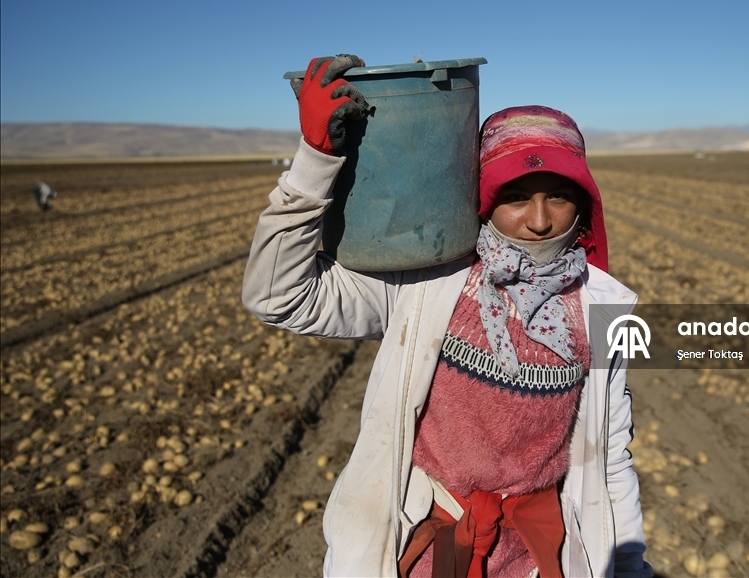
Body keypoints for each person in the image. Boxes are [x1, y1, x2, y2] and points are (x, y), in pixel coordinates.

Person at [242, 55, 651, 578]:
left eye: (560, 198)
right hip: (425, 544)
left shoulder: (602, 309)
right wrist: (315, 161)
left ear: (584, 203)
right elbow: (277, 294)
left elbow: (611, 459)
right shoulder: (429, 284)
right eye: (517, 197)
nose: (541, 220)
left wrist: (631, 567)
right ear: (484, 198)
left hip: (539, 558)